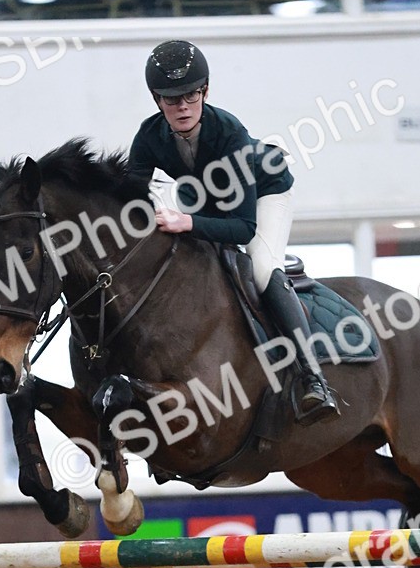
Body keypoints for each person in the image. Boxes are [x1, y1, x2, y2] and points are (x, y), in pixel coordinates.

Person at [128, 39, 338, 425]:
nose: (183, 106)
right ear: (156, 100)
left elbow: (242, 229)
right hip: (207, 196)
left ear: (205, 91)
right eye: (171, 98)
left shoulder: (229, 132)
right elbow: (126, 197)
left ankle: (314, 379)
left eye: (191, 95)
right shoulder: (148, 137)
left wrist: (185, 222)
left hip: (262, 195)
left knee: (261, 269)